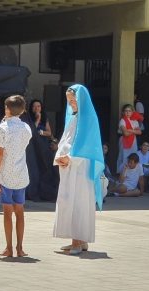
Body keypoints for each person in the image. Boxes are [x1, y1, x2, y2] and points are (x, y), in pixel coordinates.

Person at [53, 84, 104, 255]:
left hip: (80, 167)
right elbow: (66, 140)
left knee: (78, 201)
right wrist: (60, 157)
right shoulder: (74, 118)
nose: (71, 104)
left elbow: (87, 145)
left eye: (73, 101)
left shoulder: (88, 118)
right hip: (69, 166)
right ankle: (78, 240)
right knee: (70, 200)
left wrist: (69, 157)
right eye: (69, 101)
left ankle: (77, 240)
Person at [0, 95, 32, 257]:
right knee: (20, 210)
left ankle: (8, 248)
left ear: (7, 109)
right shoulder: (26, 128)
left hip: (6, 175)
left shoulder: (1, 128)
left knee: (7, 211)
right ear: (22, 110)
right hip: (21, 174)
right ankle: (20, 248)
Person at [117, 104, 143, 173]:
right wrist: (134, 131)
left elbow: (139, 132)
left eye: (129, 111)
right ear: (123, 112)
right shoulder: (122, 121)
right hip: (124, 142)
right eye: (126, 111)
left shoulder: (134, 121)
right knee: (125, 158)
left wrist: (130, 130)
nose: (128, 113)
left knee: (133, 157)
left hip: (133, 141)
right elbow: (125, 133)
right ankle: (122, 174)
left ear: (132, 112)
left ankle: (132, 174)